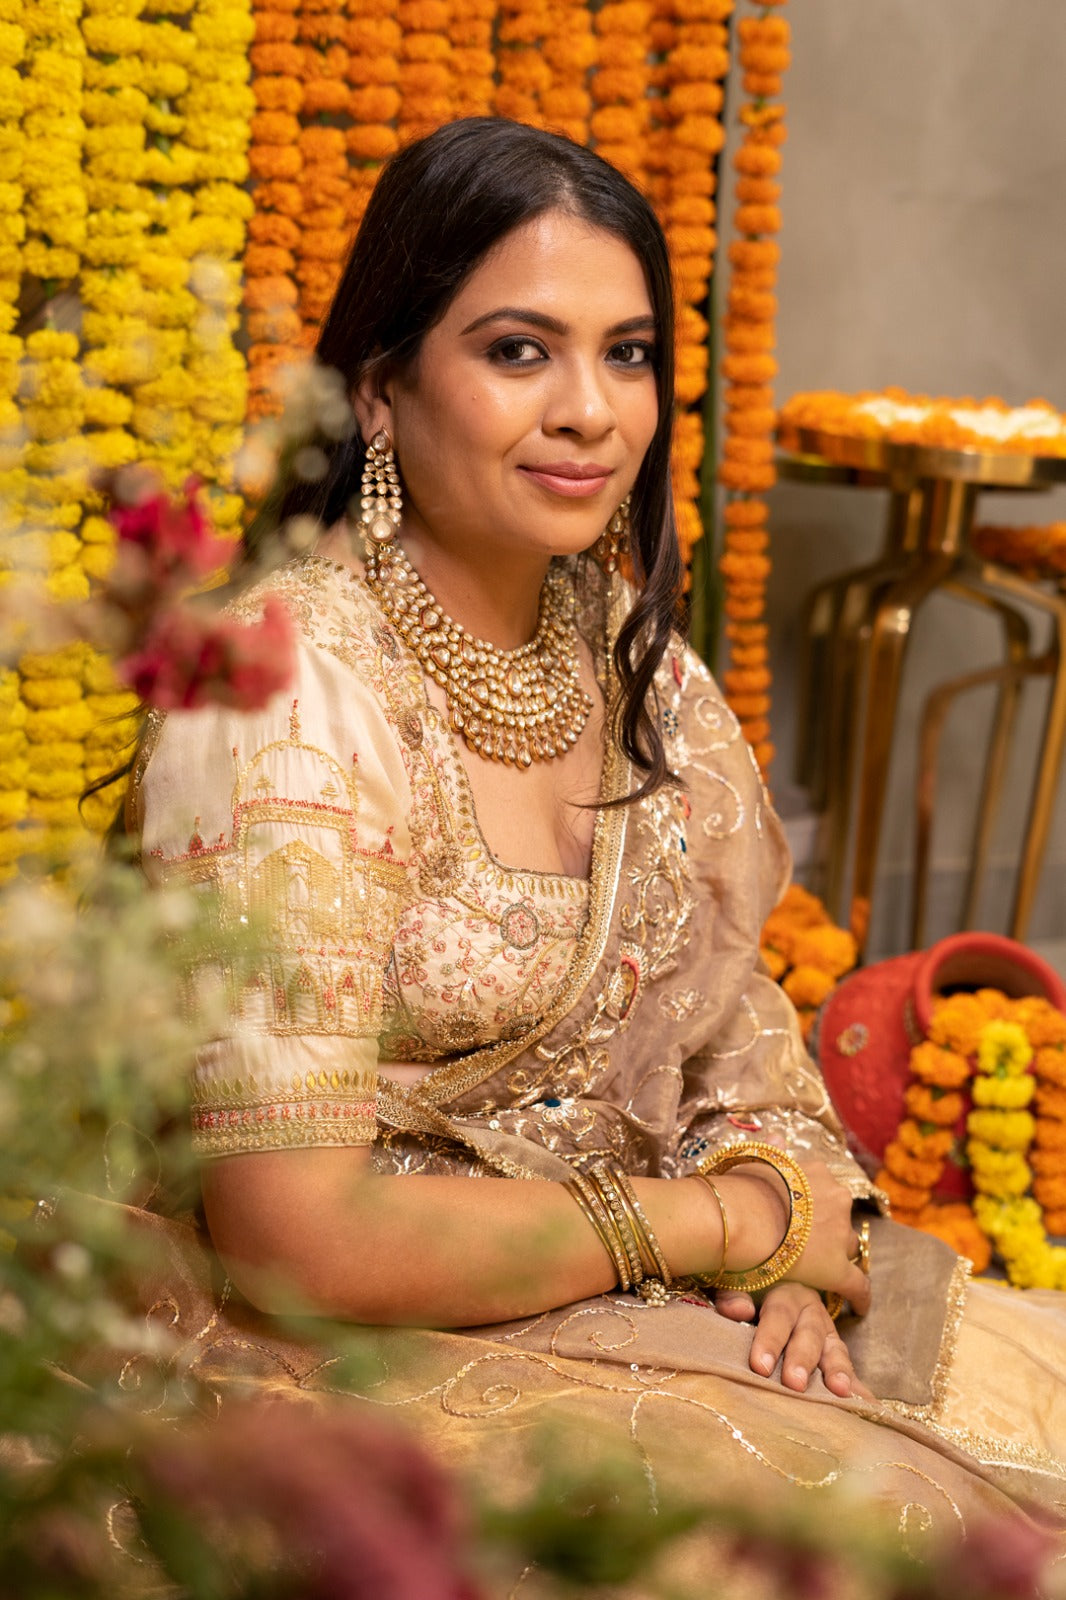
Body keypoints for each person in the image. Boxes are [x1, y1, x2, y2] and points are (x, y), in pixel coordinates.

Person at [128, 117, 1066, 1588]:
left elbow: (730, 1035)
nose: (591, 412)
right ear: (379, 391)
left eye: (625, 355)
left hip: (627, 1286)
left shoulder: (630, 671)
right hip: (343, 1350)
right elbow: (289, 1233)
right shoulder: (283, 687)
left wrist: (775, 1233)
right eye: (518, 351)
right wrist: (708, 1226)